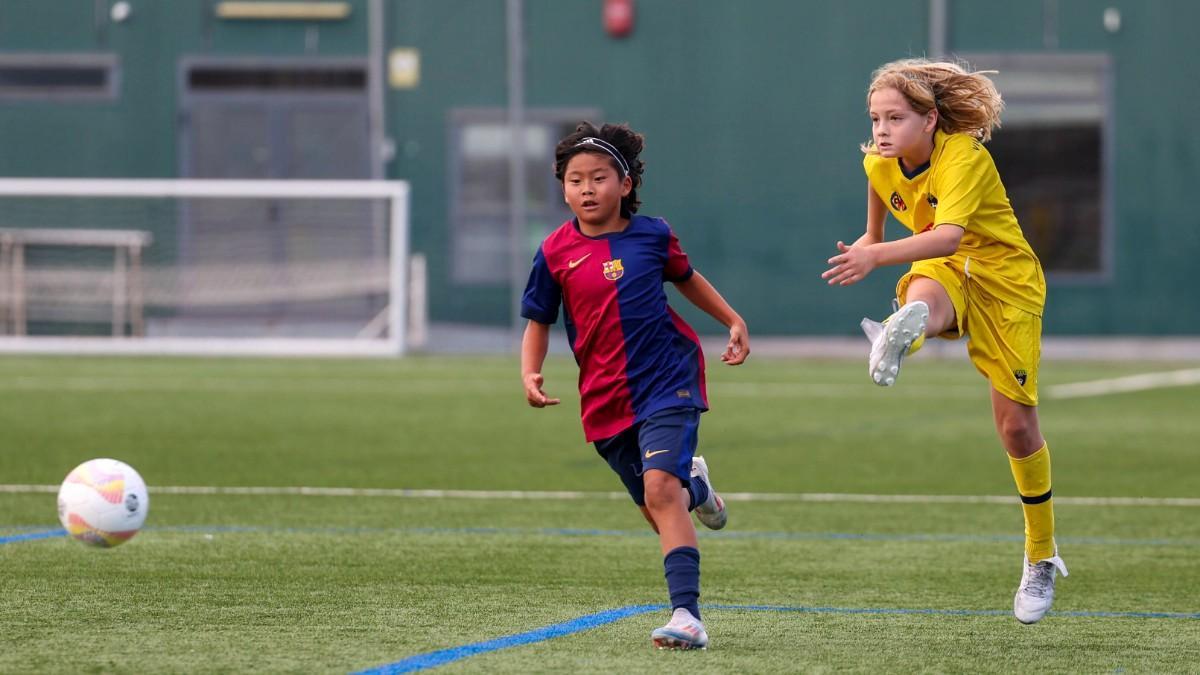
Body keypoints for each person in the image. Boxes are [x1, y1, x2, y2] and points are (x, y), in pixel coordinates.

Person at [821, 58, 1067, 624]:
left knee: (1016, 426)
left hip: (1006, 280)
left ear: (930, 119)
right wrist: (862, 250)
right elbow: (876, 235)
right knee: (925, 291)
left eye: (895, 117)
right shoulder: (878, 166)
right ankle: (903, 332)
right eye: (875, 118)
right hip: (950, 267)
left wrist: (873, 258)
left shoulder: (965, 157)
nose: (881, 130)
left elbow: (948, 233)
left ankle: (1040, 554)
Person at [521, 121, 750, 649]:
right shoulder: (554, 252)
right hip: (605, 400)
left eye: (597, 177)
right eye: (574, 179)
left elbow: (687, 278)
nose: (585, 189)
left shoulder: (653, 235)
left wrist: (732, 319)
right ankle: (698, 488)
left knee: (658, 489)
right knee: (658, 505)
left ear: (624, 184)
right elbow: (538, 320)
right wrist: (530, 371)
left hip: (668, 379)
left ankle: (687, 617)